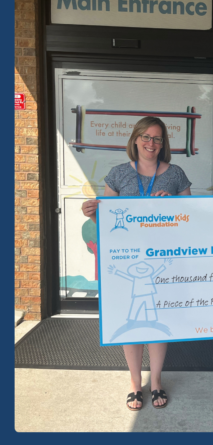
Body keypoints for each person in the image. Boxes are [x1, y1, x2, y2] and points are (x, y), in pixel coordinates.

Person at [82, 116, 192, 411]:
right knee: (129, 323)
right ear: (135, 139)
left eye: (157, 138)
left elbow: (191, 219)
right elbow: (106, 221)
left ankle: (155, 381)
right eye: (146, 137)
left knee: (158, 321)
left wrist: (174, 208)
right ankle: (134, 383)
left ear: (163, 143)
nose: (151, 143)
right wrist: (92, 213)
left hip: (162, 258)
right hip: (127, 259)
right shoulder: (117, 174)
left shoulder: (176, 174)